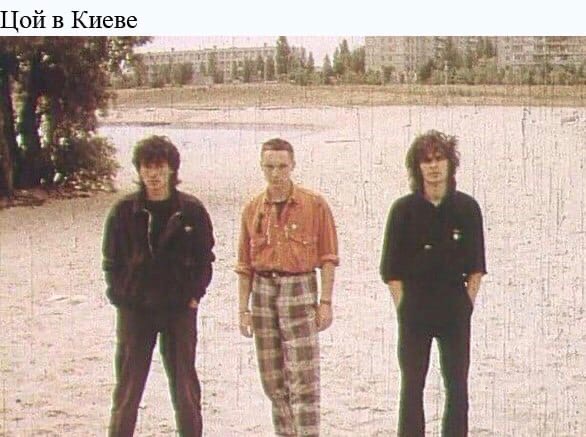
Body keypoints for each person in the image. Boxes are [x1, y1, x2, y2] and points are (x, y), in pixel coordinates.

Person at [102, 135, 215, 437]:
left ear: (171, 169)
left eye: (159, 167)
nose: (153, 174)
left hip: (179, 309)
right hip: (136, 310)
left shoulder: (191, 210)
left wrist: (195, 295)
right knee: (128, 387)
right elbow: (111, 260)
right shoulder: (124, 211)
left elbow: (205, 258)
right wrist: (121, 296)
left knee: (185, 387)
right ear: (139, 170)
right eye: (147, 167)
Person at [380, 130, 486, 437]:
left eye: (439, 158)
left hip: (454, 305)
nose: (434, 166)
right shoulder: (403, 211)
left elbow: (477, 266)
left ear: (450, 164)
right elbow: (391, 270)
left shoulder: (467, 208)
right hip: (415, 307)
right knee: (412, 384)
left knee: (457, 384)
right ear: (417, 168)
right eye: (426, 161)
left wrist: (466, 304)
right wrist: (404, 306)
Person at [235, 138, 339, 437]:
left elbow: (328, 257)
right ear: (261, 167)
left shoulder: (314, 205)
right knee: (273, 379)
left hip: (299, 289)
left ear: (292, 165)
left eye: (282, 166)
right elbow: (244, 266)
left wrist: (325, 302)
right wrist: (243, 309)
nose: (276, 173)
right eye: (269, 167)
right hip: (263, 292)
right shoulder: (252, 209)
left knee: (303, 377)